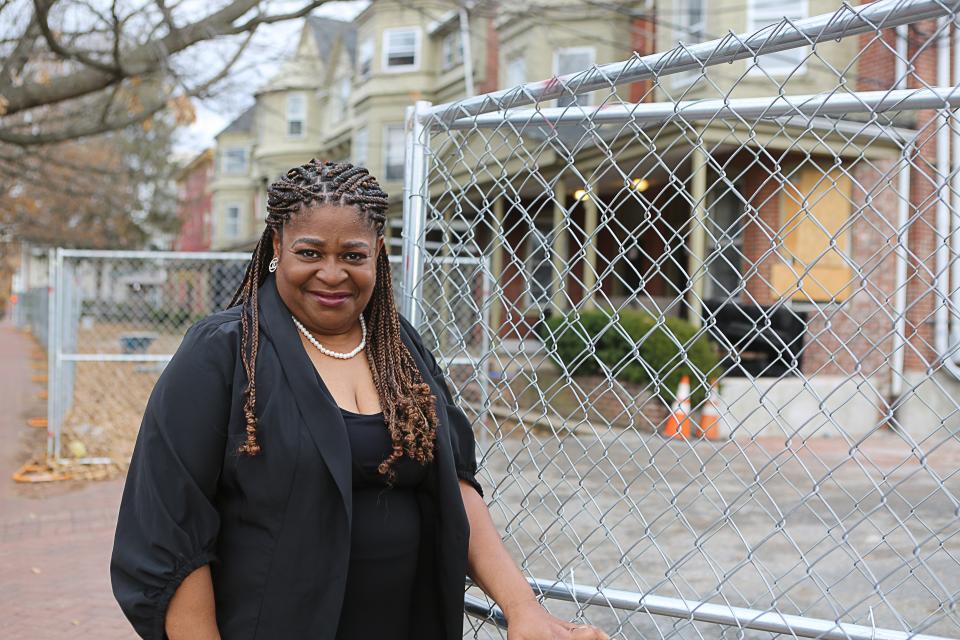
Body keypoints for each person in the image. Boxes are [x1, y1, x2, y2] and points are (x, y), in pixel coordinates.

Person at [111, 159, 608, 640]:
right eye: (310, 253)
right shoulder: (224, 351)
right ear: (277, 246)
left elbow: (455, 486)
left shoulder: (400, 349)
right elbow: (171, 529)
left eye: (352, 255)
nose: (332, 273)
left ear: (376, 253)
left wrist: (523, 610)